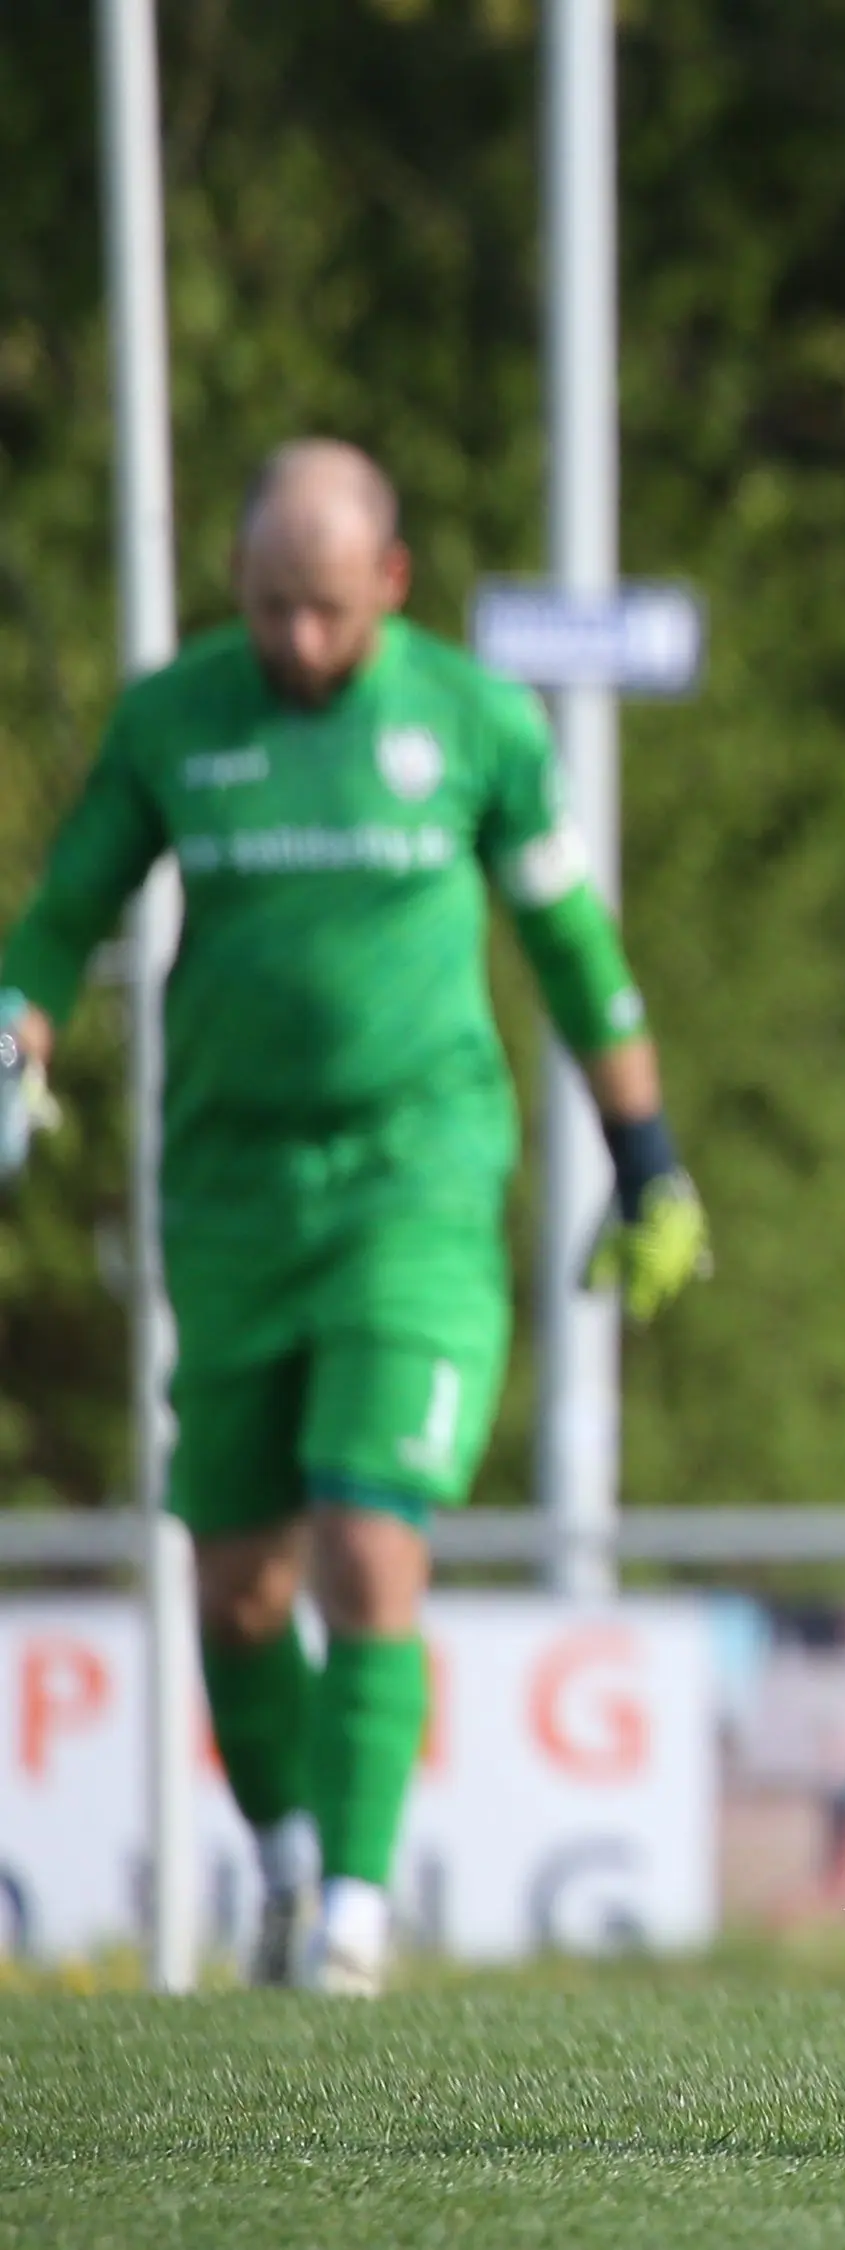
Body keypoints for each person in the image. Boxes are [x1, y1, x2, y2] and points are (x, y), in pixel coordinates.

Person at [0, 440, 710, 1996]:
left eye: (325, 609)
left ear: (388, 583)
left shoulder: (474, 721)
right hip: (233, 1195)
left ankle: (355, 1923)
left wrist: (646, 1152)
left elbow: (577, 946)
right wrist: (15, 1032)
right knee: (241, 1586)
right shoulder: (175, 719)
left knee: (371, 1538)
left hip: (421, 1182)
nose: (298, 644)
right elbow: (61, 920)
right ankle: (287, 1862)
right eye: (269, 608)